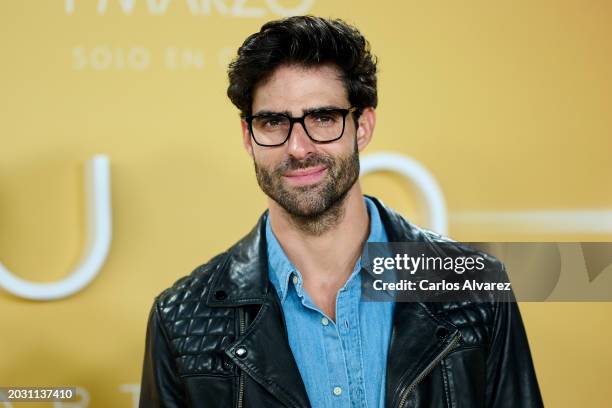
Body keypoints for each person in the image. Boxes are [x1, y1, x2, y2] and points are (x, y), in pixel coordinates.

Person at [139, 15, 543, 408]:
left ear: (362, 126)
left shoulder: (473, 287)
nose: (298, 147)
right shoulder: (183, 318)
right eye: (273, 122)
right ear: (248, 136)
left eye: (323, 118)